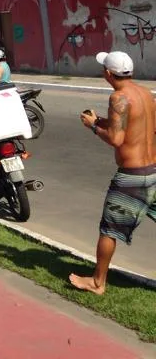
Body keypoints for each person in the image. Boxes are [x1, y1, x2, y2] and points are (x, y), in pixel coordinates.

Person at [69, 51, 155, 295]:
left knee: (108, 230)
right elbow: (138, 125)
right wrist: (104, 120)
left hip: (133, 176)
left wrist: (93, 126)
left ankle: (97, 282)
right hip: (154, 171)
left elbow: (117, 139)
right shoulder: (145, 93)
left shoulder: (118, 96)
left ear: (108, 73)